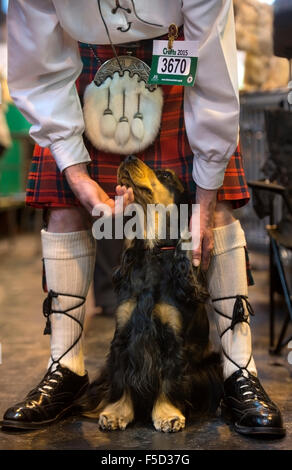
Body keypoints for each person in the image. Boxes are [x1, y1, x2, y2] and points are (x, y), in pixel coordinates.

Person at [3, 0, 285, 437]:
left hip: (176, 57)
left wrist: (205, 203)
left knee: (222, 202)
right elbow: (37, 66)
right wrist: (76, 174)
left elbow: (213, 74)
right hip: (81, 60)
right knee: (62, 205)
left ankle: (237, 371)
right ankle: (66, 366)